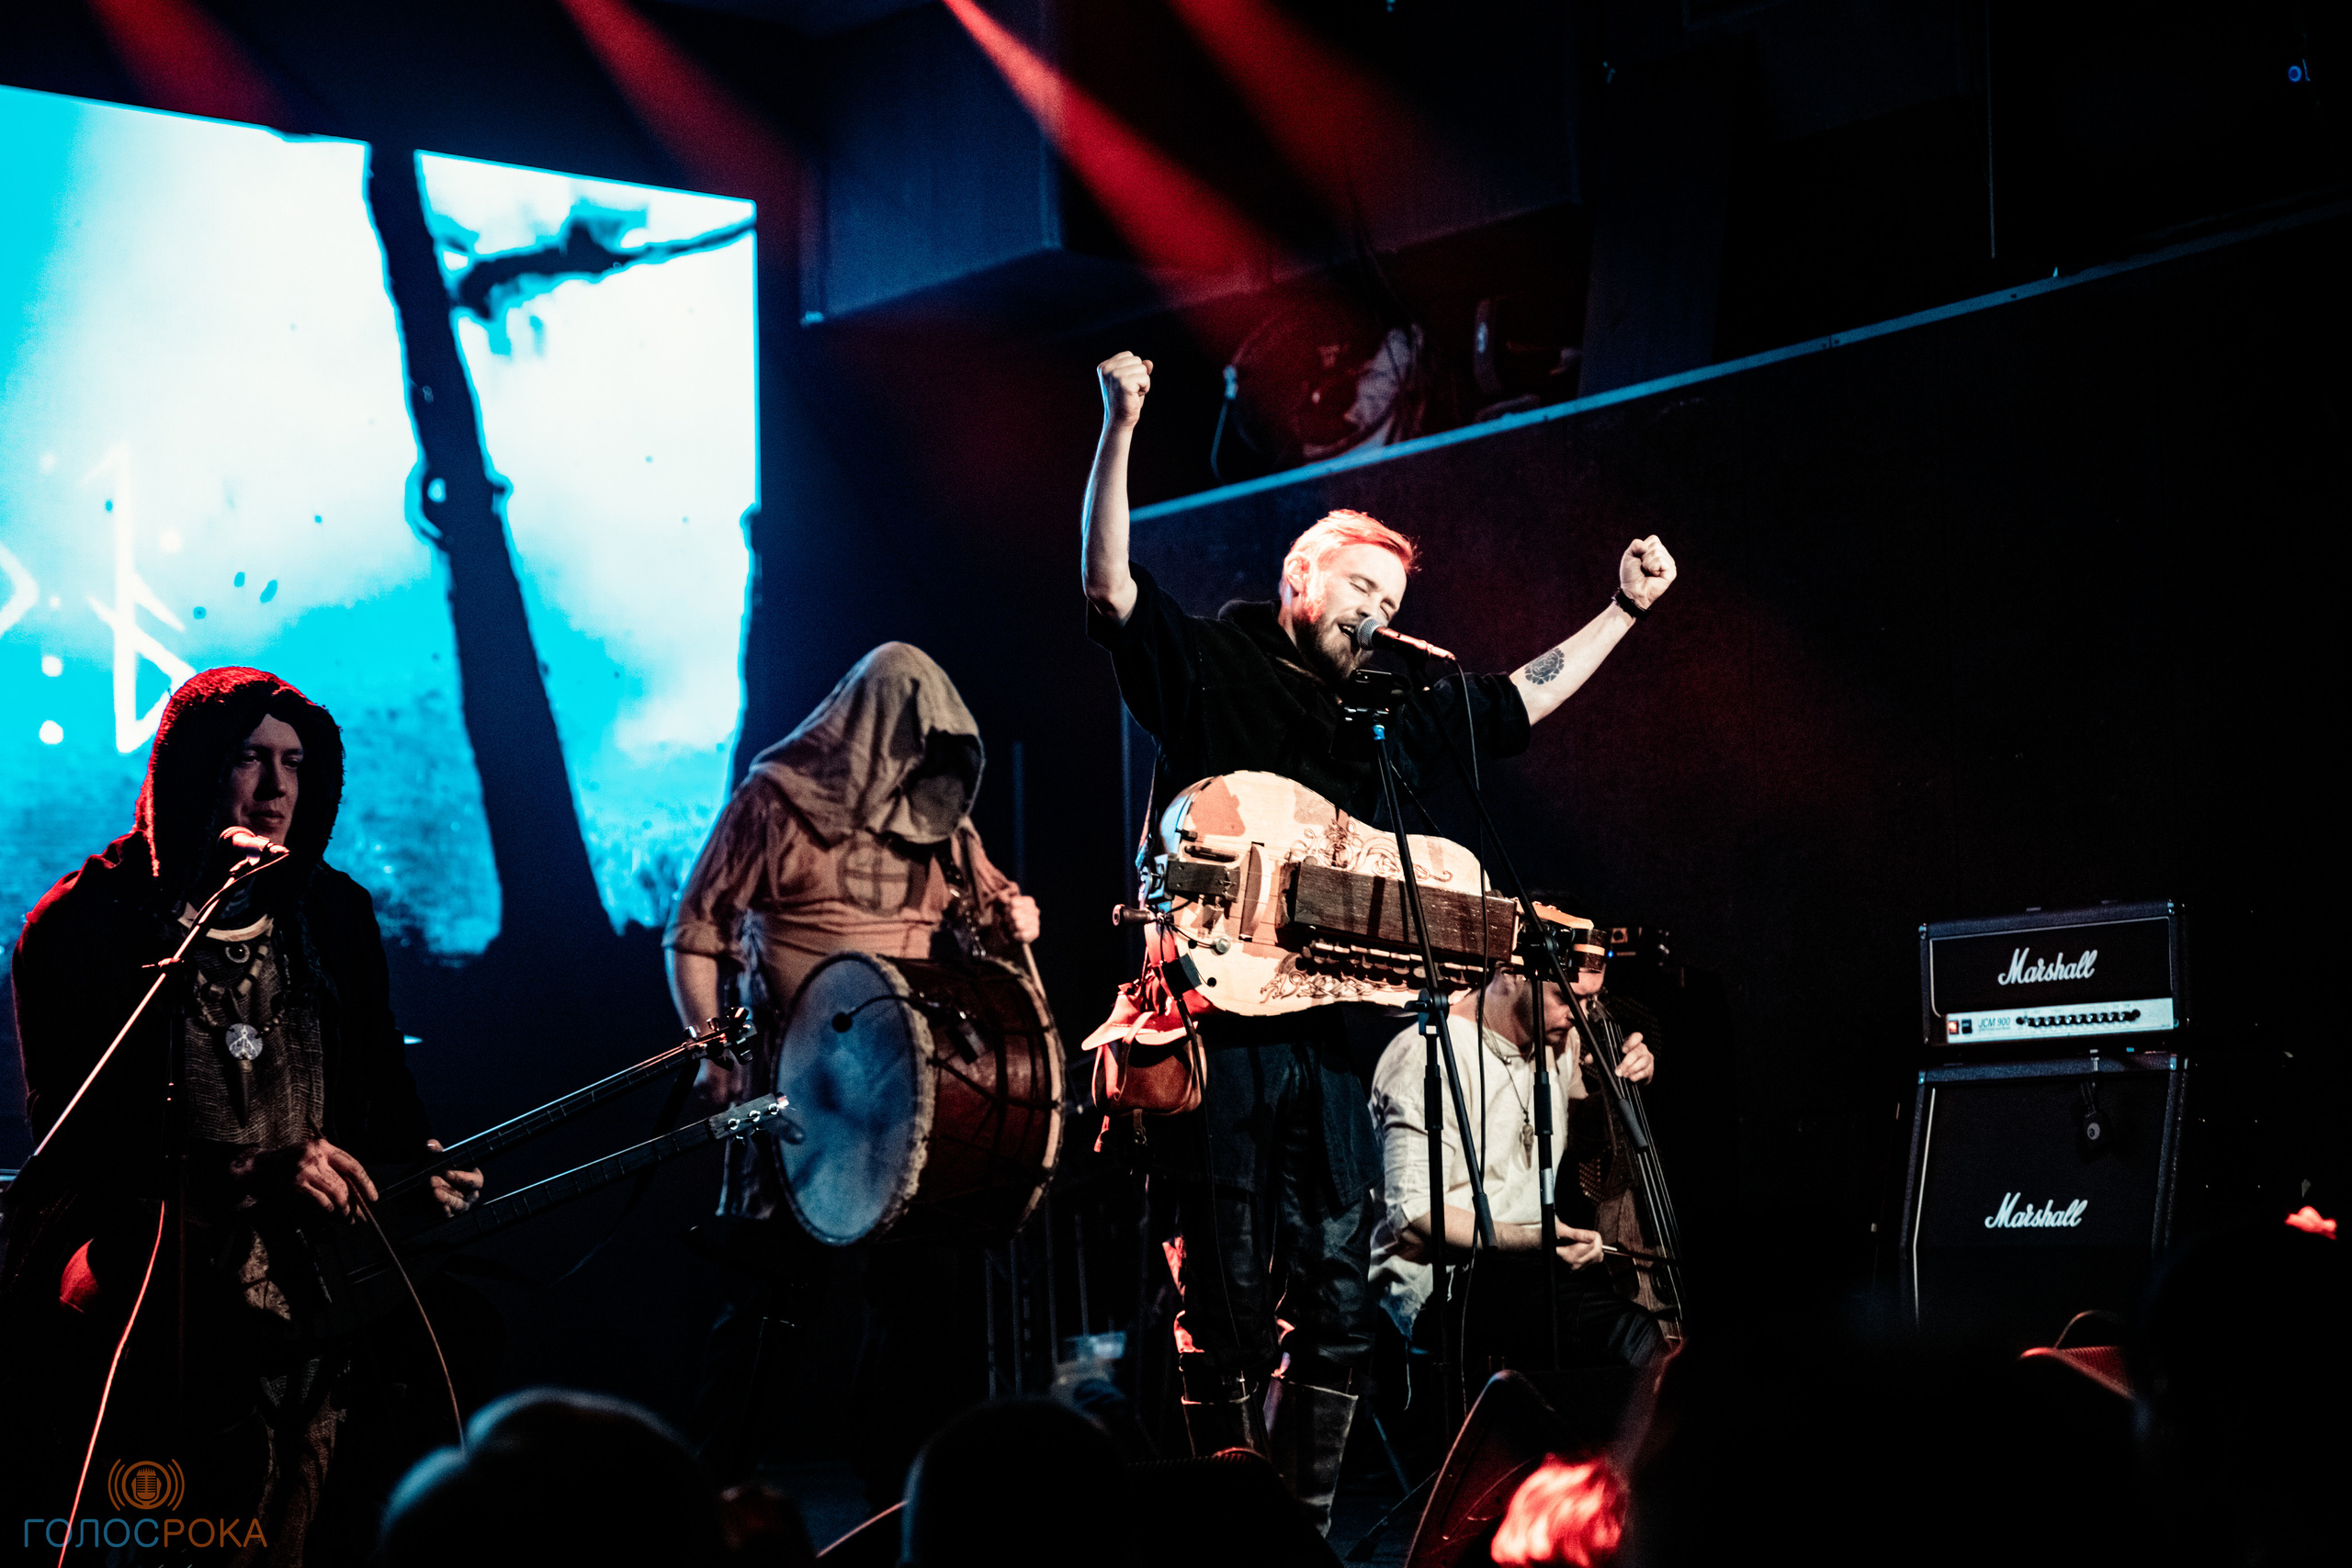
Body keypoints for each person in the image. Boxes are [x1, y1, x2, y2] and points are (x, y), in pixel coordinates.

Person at [1080, 349, 1676, 1529]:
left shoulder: (1389, 713)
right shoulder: (1218, 662)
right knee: (1223, 1302)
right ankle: (1219, 1531)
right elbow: (1107, 592)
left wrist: (1622, 612)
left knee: (1341, 1307)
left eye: (1393, 605)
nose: (1375, 615)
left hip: (1333, 1040)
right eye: (1360, 589)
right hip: (1216, 1027)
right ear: (1300, 578)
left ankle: (1295, 1532)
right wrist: (1123, 421)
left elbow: (1515, 699)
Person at [2, 667, 482, 1562]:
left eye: (295, 763)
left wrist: (418, 1158)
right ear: (194, 770)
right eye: (249, 759)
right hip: (157, 1299)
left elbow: (380, 1079)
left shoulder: (332, 912)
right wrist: (242, 1171)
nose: (275, 789)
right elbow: (73, 1143)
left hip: (320, 1286)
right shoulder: (83, 924)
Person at [662, 642, 1040, 1502]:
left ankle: (897, 1508)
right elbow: (695, 929)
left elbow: (994, 915)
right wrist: (712, 1052)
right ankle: (711, 1508)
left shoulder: (942, 820)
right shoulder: (773, 801)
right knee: (767, 1311)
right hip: (792, 1099)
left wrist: (1020, 915)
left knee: (919, 1313)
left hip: (908, 1108)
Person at [1366, 956, 1665, 1395]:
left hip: (1524, 1263)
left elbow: (1585, 1142)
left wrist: (1620, 1085)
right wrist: (1534, 1238)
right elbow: (1413, 1217)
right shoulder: (1428, 1056)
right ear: (1510, 974)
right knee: (1628, 1336)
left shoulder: (1557, 1044)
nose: (1580, 1016)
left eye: (1591, 1001)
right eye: (1567, 998)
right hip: (1442, 1283)